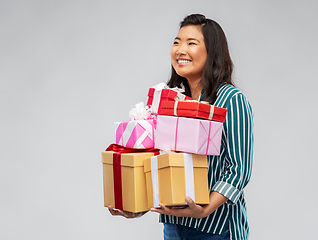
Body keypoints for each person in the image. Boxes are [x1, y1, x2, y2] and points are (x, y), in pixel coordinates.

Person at [109, 13, 254, 240]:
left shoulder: (231, 100)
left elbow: (239, 170)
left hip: (216, 229)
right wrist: (137, 206)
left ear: (212, 52)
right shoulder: (168, 101)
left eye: (191, 43)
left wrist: (204, 210)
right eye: (177, 42)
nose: (180, 49)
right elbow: (160, 164)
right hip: (174, 228)